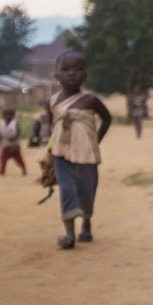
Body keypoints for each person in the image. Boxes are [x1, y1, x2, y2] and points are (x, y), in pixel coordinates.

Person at [46, 51, 112, 250]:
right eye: (65, 69)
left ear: (85, 75)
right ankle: (68, 234)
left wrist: (96, 140)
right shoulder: (52, 102)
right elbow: (51, 128)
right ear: (56, 75)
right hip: (61, 155)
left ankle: (86, 223)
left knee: (86, 194)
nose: (71, 73)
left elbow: (107, 119)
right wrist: (48, 149)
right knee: (67, 190)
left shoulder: (90, 101)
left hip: (86, 156)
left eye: (78, 69)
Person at [0, 107, 26, 176]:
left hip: (14, 145)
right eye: (4, 115)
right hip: (5, 144)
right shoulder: (2, 123)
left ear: (12, 115)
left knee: (18, 158)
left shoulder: (15, 123)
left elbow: (18, 133)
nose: (5, 116)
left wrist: (14, 139)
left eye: (7, 114)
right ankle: (2, 170)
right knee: (3, 158)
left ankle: (23, 168)